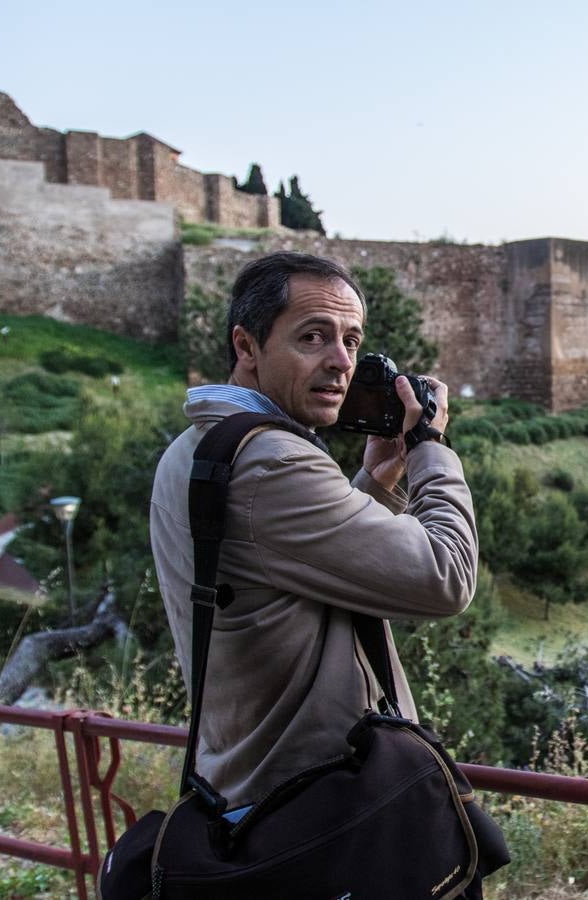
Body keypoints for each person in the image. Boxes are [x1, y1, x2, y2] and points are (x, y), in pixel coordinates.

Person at [150, 251, 477, 809]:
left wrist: (375, 477)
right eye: (313, 338)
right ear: (246, 346)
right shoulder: (273, 462)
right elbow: (447, 577)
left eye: (351, 340)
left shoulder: (200, 447)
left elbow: (289, 558)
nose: (340, 362)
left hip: (256, 791)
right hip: (319, 807)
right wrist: (429, 450)